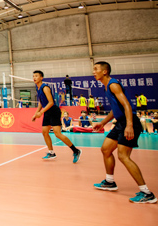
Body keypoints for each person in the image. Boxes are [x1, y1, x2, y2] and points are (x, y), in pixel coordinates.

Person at [91, 61, 156, 204]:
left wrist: (129, 125)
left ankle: (147, 193)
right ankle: (109, 182)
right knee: (106, 149)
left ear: (105, 71)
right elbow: (116, 109)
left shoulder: (113, 85)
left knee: (123, 156)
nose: (93, 72)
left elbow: (127, 105)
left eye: (96, 69)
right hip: (120, 123)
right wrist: (103, 122)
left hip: (128, 122)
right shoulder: (106, 87)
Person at [31, 70, 81, 162]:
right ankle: (51, 153)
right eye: (33, 76)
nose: (34, 78)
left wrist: (41, 112)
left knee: (57, 134)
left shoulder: (45, 88)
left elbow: (51, 102)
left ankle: (76, 151)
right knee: (44, 132)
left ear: (41, 78)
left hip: (53, 111)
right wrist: (36, 113)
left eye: (36, 76)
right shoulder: (37, 88)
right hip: (47, 112)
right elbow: (41, 102)